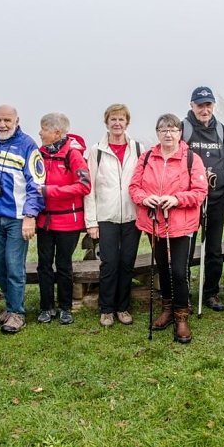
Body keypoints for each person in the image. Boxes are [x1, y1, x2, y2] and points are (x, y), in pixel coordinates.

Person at [129, 113, 208, 344]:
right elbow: (134, 187)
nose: (168, 134)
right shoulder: (146, 158)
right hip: (154, 224)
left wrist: (177, 199)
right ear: (157, 133)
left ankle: (181, 316)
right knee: (163, 268)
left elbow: (200, 191)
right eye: (164, 130)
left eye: (173, 130)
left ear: (180, 133)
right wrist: (146, 199)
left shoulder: (192, 159)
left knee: (178, 271)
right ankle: (167, 308)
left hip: (182, 225)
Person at [0, 105, 45, 333]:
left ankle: (17, 313)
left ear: (17, 120)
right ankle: (10, 307)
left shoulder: (27, 145)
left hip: (17, 218)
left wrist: (30, 215)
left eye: (7, 120)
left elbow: (36, 184)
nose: (2, 124)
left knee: (14, 265)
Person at [84, 104, 142, 327]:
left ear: (127, 122)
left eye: (121, 119)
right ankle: (106, 309)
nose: (117, 123)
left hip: (132, 216)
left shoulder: (137, 149)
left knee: (127, 262)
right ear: (106, 122)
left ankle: (123, 307)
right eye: (113, 119)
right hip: (105, 217)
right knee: (109, 263)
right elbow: (89, 189)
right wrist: (91, 221)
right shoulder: (96, 151)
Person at [35, 113, 91, 325]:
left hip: (68, 221)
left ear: (57, 133)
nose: (40, 132)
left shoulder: (73, 155)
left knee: (64, 264)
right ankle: (46, 307)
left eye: (44, 129)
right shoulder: (38, 154)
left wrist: (52, 191)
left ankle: (65, 307)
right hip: (45, 221)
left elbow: (84, 186)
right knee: (44, 265)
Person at [181, 86, 224, 312]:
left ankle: (211, 292)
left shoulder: (221, 130)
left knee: (213, 248)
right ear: (192, 106)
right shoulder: (184, 128)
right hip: (190, 200)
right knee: (187, 247)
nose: (205, 109)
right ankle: (184, 295)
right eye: (200, 105)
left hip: (216, 198)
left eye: (208, 105)